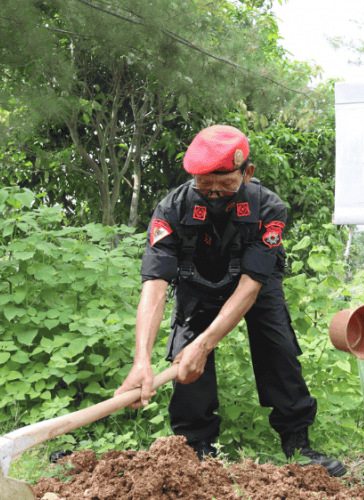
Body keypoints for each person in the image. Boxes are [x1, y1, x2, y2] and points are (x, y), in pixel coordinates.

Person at [115, 125, 346, 477]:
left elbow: (252, 285)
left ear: (247, 172)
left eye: (224, 185)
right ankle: (194, 449)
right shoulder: (172, 209)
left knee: (277, 344)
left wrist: (206, 344)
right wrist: (142, 361)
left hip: (253, 282)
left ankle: (298, 444)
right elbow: (155, 284)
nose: (213, 194)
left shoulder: (270, 209)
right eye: (204, 185)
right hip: (197, 281)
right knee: (186, 357)